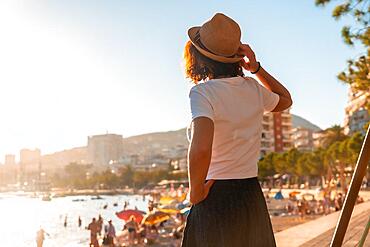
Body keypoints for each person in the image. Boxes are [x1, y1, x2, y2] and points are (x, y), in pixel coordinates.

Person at [181, 13, 292, 247]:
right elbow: (285, 100)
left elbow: (201, 148)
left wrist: (194, 191)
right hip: (249, 194)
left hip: (214, 195)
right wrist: (256, 68)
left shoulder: (202, 93)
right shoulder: (253, 88)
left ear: (201, 58)